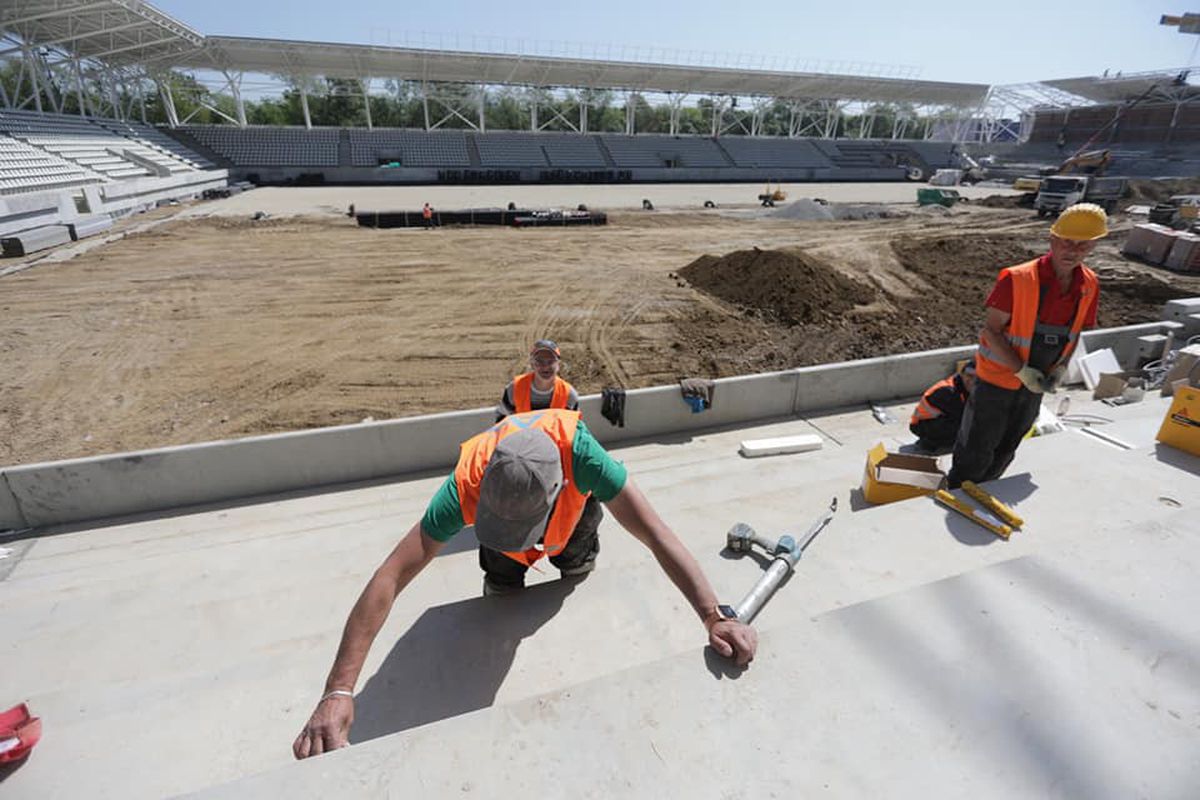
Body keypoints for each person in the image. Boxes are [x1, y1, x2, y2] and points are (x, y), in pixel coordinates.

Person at [292, 408, 758, 759]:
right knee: (502, 582)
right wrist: (339, 691)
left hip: (572, 521)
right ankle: (504, 576)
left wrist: (713, 615)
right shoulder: (467, 483)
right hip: (507, 530)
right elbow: (390, 576)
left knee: (575, 559)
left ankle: (571, 559)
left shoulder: (583, 456)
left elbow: (655, 533)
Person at [947, 203, 1104, 488]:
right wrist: (1021, 370)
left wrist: (1061, 369)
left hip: (1038, 382)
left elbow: (1076, 330)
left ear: (1093, 246)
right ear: (1053, 239)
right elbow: (992, 332)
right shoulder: (1017, 278)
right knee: (977, 446)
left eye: (1083, 245)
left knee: (1009, 444)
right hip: (998, 381)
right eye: (1067, 242)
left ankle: (988, 489)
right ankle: (958, 492)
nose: (1073, 251)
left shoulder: (1089, 284)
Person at [496, 339, 579, 420]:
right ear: (532, 364)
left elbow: (574, 427)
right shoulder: (514, 389)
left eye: (551, 361)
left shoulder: (569, 394)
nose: (545, 367)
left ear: (558, 364)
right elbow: (501, 422)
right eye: (539, 361)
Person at [909, 360, 976, 453]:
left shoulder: (962, 386)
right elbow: (965, 417)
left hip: (936, 420)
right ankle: (929, 443)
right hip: (921, 425)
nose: (972, 381)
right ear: (962, 375)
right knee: (963, 428)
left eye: (976, 378)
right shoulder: (948, 392)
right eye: (969, 376)